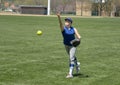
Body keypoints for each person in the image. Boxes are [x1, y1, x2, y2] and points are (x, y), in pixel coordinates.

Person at [57, 13, 82, 78]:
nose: (66, 22)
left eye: (68, 21)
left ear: (70, 23)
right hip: (66, 45)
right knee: (72, 57)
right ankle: (77, 64)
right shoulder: (63, 29)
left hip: (73, 45)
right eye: (66, 21)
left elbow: (78, 35)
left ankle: (70, 74)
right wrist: (59, 17)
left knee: (71, 58)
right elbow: (60, 24)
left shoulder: (73, 29)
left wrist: (79, 38)